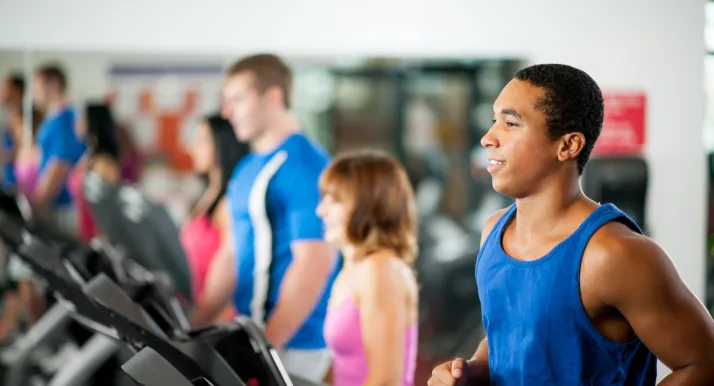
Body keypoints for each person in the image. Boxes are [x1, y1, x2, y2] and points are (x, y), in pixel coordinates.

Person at [428, 64, 714, 386]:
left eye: (510, 123)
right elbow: (508, 340)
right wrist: (471, 370)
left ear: (567, 146)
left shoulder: (614, 253)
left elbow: (701, 364)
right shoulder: (493, 232)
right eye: (494, 120)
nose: (488, 137)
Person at [192, 53, 338, 382]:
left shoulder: (305, 165)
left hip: (292, 344)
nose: (227, 112)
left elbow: (314, 264)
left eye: (237, 99)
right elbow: (230, 254)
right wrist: (193, 327)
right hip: (251, 334)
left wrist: (265, 348)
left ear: (272, 97)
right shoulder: (247, 168)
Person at [318, 150, 419, 386]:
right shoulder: (354, 268)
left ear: (368, 207)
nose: (321, 211)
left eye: (335, 201)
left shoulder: (381, 270)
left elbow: (386, 380)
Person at [180, 113, 249, 320]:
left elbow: (231, 273)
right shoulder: (208, 195)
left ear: (223, 145)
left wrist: (200, 322)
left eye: (202, 141)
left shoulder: (228, 203)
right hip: (195, 310)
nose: (193, 148)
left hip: (215, 318)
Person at [31, 63, 85, 232]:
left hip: (60, 207)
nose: (34, 94)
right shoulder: (53, 119)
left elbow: (60, 166)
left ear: (53, 85)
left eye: (37, 88)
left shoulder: (65, 120)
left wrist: (37, 204)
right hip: (52, 204)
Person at [68, 103, 123, 243]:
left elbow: (107, 212)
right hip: (82, 234)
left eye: (81, 118)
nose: (76, 123)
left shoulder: (104, 164)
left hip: (96, 241)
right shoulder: (88, 155)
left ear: (93, 122)